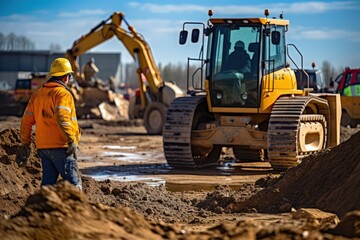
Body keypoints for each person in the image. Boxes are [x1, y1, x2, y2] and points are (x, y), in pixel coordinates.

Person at [19, 58, 82, 190]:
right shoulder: (63, 94)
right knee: (74, 185)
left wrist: (25, 143)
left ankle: (44, 209)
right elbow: (62, 118)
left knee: (47, 186)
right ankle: (75, 210)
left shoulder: (38, 94)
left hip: (43, 148)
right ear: (66, 77)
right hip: (61, 146)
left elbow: (26, 121)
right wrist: (71, 140)